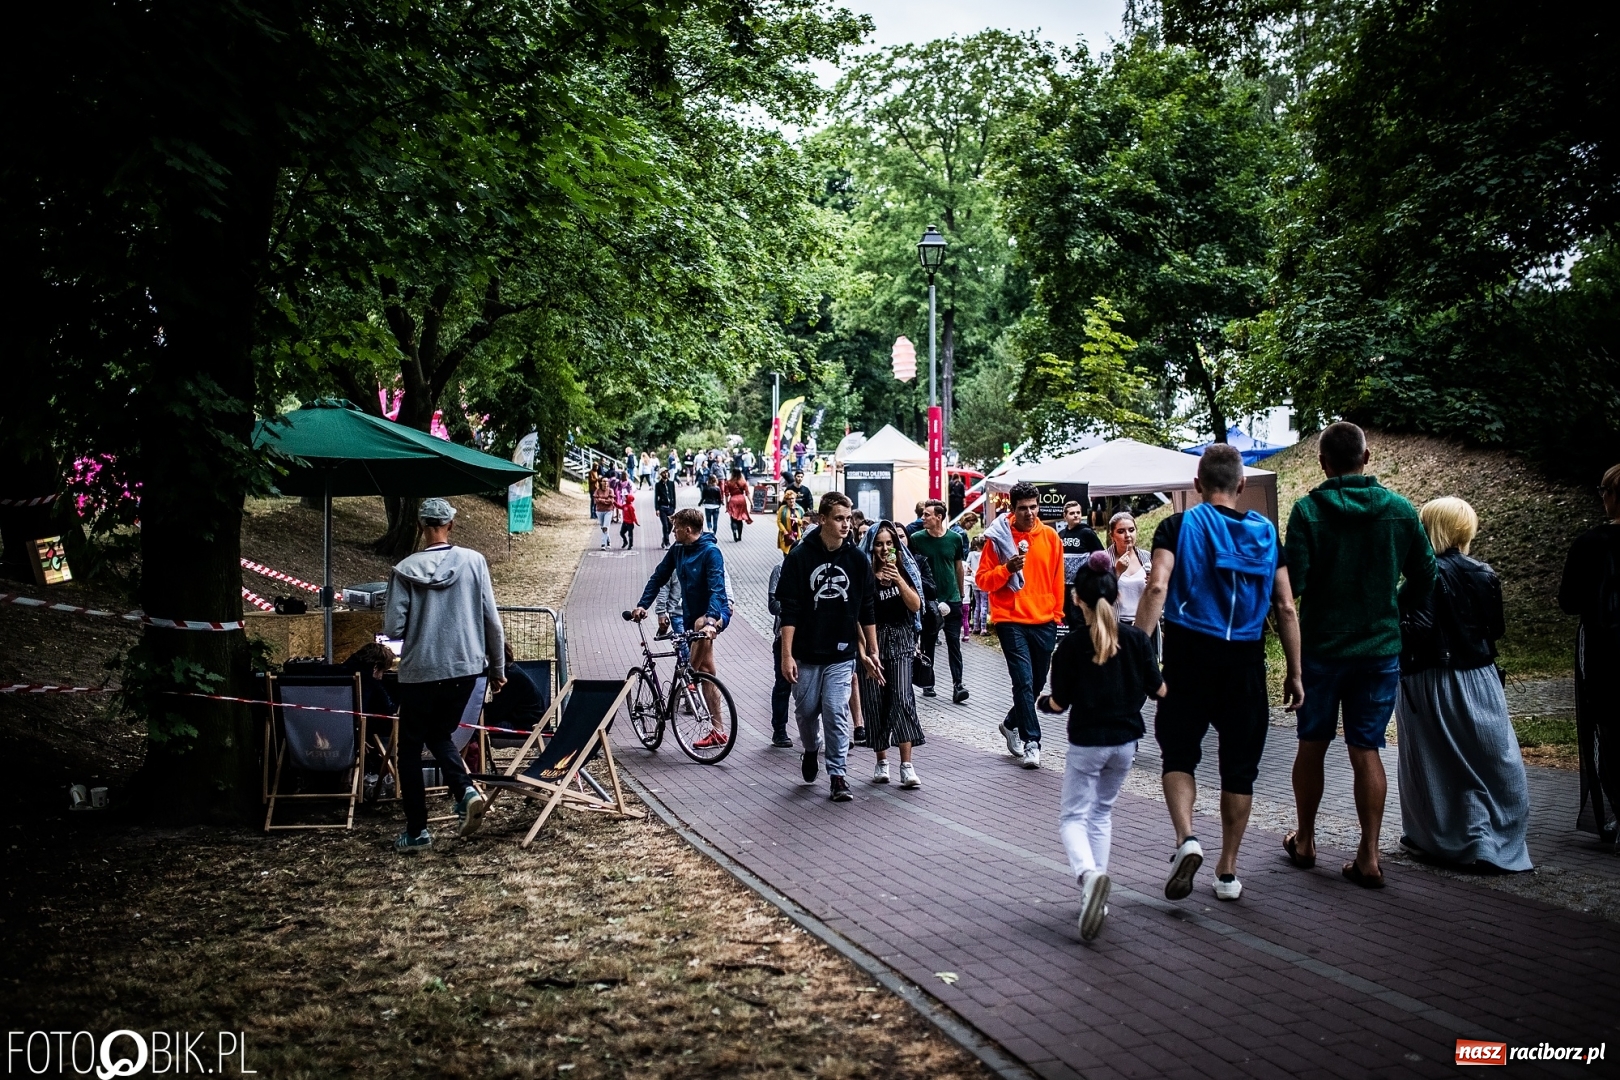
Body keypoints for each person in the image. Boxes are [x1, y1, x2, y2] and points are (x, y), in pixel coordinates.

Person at [1136, 444, 1304, 901]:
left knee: (1178, 754)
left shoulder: (1178, 525)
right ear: (1242, 485)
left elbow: (1157, 585)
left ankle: (1187, 837)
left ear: (1196, 484)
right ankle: (1227, 872)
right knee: (1240, 770)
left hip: (1189, 658)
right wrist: (1295, 671)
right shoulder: (1266, 534)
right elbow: (1286, 607)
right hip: (1246, 665)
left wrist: (1136, 650)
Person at [1283, 422, 1435, 889]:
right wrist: (1392, 605)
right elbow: (1427, 575)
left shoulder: (1308, 512)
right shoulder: (1401, 510)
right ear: (1366, 458)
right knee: (1365, 748)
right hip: (1379, 649)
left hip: (1323, 650)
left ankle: (1306, 840)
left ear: (1323, 462)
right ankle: (1368, 855)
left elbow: (1297, 583)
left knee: (1312, 744)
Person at [1396, 497, 1531, 871]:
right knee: (1490, 761)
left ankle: (1439, 838)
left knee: (1434, 764)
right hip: (1481, 678)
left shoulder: (1424, 575)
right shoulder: (1485, 572)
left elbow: (1417, 629)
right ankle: (1490, 840)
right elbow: (1497, 629)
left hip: (1430, 680)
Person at [1039, 551, 1166, 941]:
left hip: (1087, 743)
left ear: (1077, 599)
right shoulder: (1136, 640)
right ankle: (1097, 897)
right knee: (1102, 814)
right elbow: (1159, 690)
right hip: (1126, 743)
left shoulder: (1071, 647)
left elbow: (1059, 703)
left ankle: (1089, 876)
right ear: (1116, 597)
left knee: (1072, 818)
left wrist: (1042, 704)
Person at [383, 498, 504, 852]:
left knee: (409, 748)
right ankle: (464, 790)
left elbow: (393, 627)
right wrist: (496, 670)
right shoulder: (474, 562)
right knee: (439, 732)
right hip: (466, 669)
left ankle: (418, 830)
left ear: (421, 527)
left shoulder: (403, 570)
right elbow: (492, 622)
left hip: (420, 670)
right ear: (450, 525)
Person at [777, 492, 881, 802]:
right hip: (806, 652)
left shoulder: (857, 560)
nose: (846, 525)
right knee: (807, 712)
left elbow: (867, 608)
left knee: (836, 710)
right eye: (839, 518)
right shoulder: (799, 557)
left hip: (841, 652)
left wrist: (872, 648)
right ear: (822, 519)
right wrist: (786, 655)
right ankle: (811, 749)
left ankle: (838, 775)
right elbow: (789, 609)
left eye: (849, 519)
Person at [976, 482, 1067, 769]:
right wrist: (1007, 569)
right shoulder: (999, 539)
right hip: (1010, 619)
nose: (1029, 513)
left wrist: (1056, 613)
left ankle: (1010, 723)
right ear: (1012, 509)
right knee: (1023, 681)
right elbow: (982, 580)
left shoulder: (1051, 537)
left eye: (1033, 507)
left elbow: (1058, 578)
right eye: (1022, 508)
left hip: (1044, 619)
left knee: (1037, 682)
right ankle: (1032, 742)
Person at [1558, 463, 1620, 842]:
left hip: (1605, 647)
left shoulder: (1590, 543)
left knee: (1608, 729)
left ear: (1613, 495)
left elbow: (1569, 601)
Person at [632, 508, 730, 746]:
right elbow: (658, 577)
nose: (672, 532)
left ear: (687, 530)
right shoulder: (677, 550)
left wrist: (709, 622)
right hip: (690, 615)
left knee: (700, 629)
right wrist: (643, 605)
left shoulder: (711, 552)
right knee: (709, 672)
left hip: (715, 612)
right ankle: (718, 731)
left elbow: (717, 590)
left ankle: (686, 682)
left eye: (675, 528)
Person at [858, 520, 926, 788]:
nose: (884, 549)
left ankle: (907, 765)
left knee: (901, 696)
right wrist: (863, 650)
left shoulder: (904, 569)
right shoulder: (863, 572)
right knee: (874, 700)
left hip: (900, 639)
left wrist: (898, 579)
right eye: (879, 544)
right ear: (871, 546)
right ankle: (881, 760)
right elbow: (858, 615)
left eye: (889, 543)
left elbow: (916, 605)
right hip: (872, 639)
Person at [909, 499, 970, 704]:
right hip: (929, 600)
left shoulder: (955, 538)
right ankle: (928, 682)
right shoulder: (917, 539)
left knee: (954, 643)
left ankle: (958, 684)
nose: (923, 518)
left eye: (927, 515)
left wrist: (961, 594)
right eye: (923, 514)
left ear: (939, 517)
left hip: (951, 597)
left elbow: (958, 567)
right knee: (928, 642)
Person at [1057, 499, 1104, 628]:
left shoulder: (1087, 533)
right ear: (1065, 516)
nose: (1076, 515)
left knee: (1080, 619)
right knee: (1068, 617)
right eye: (1072, 513)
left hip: (1081, 585)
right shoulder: (1060, 535)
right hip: (1064, 585)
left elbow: (1100, 556)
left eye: (1078, 512)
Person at [484, 641, 547, 737]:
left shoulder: (510, 677)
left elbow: (496, 713)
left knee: (476, 727)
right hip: (525, 721)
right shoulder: (511, 671)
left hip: (527, 727)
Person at [767, 556, 795, 748]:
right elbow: (773, 604)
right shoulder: (780, 568)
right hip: (783, 636)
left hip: (811, 637)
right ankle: (779, 729)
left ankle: (817, 730)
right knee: (783, 683)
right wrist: (794, 609)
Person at [1105, 512, 1151, 626]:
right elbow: (1096, 593)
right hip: (1115, 624)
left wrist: (1153, 583)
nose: (1127, 535)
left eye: (1131, 530)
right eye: (1121, 531)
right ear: (1112, 536)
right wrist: (1117, 572)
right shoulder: (1103, 560)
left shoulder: (1147, 557)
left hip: (1145, 623)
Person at [966, 536, 989, 635]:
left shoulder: (971, 554)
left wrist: (971, 571)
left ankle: (976, 626)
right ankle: (983, 628)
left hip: (975, 581)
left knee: (977, 604)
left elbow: (967, 566)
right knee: (984, 604)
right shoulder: (986, 554)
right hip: (984, 581)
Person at [724, 468, 752, 542]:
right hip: (741, 500)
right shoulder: (743, 482)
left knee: (733, 518)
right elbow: (747, 493)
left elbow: (726, 494)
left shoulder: (728, 482)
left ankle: (734, 531)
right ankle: (739, 536)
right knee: (740, 519)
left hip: (733, 500)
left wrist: (727, 503)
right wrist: (751, 502)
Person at [654, 468, 677, 549]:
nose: (666, 474)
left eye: (666, 472)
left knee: (670, 525)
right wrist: (657, 509)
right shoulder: (658, 485)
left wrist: (674, 506)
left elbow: (673, 495)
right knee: (665, 525)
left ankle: (664, 538)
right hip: (662, 507)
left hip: (670, 507)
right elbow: (656, 497)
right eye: (664, 473)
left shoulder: (671, 483)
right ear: (661, 474)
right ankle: (667, 542)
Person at [776, 487, 801, 555]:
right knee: (787, 553)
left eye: (792, 498)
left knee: (796, 553)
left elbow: (804, 522)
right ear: (786, 500)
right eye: (788, 499)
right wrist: (784, 531)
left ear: (795, 499)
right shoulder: (782, 509)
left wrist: (797, 520)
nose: (791, 500)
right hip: (787, 535)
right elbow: (779, 521)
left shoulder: (799, 509)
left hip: (797, 535)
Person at [592, 477, 614, 549]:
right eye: (604, 481)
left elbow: (611, 501)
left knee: (605, 527)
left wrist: (601, 500)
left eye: (607, 481)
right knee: (603, 527)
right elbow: (595, 501)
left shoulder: (610, 490)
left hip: (608, 511)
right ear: (601, 482)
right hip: (599, 511)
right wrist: (605, 500)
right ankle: (608, 540)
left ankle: (603, 544)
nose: (605, 483)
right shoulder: (597, 491)